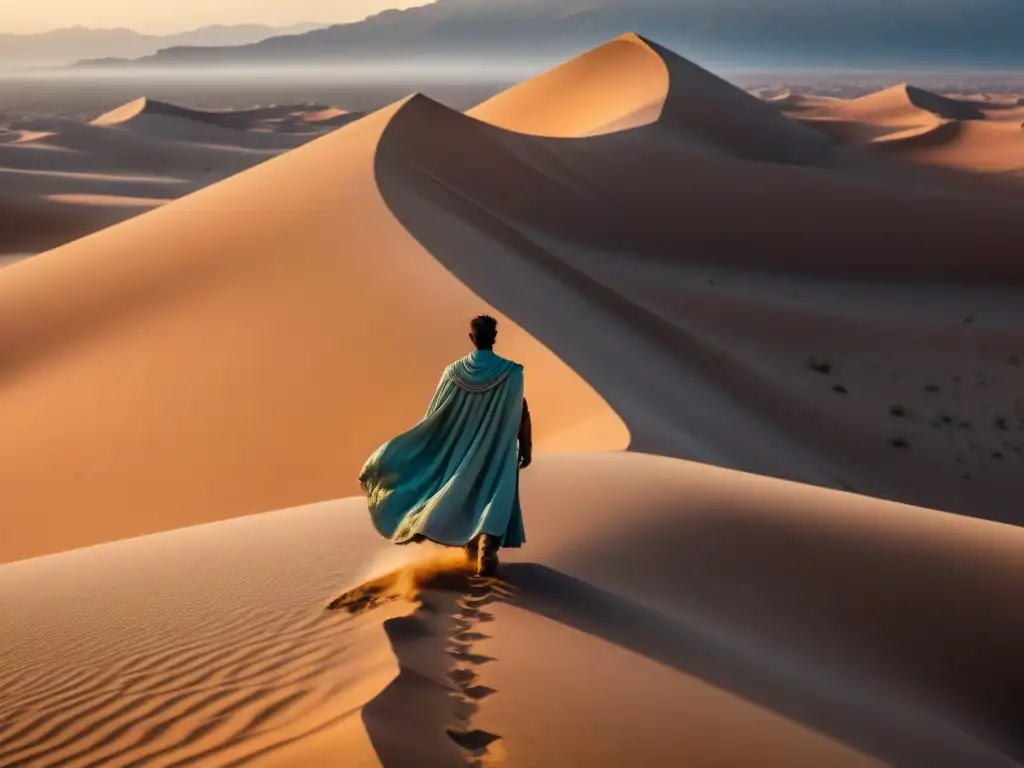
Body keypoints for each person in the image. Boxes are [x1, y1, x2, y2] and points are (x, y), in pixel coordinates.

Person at [358, 315, 533, 577]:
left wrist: (435, 445)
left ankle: (474, 550)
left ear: (472, 338)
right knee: (494, 494)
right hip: (497, 449)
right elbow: (520, 411)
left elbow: (436, 417)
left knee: (469, 494)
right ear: (495, 337)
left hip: (461, 449)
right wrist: (526, 446)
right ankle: (487, 551)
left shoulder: (453, 373)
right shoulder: (511, 373)